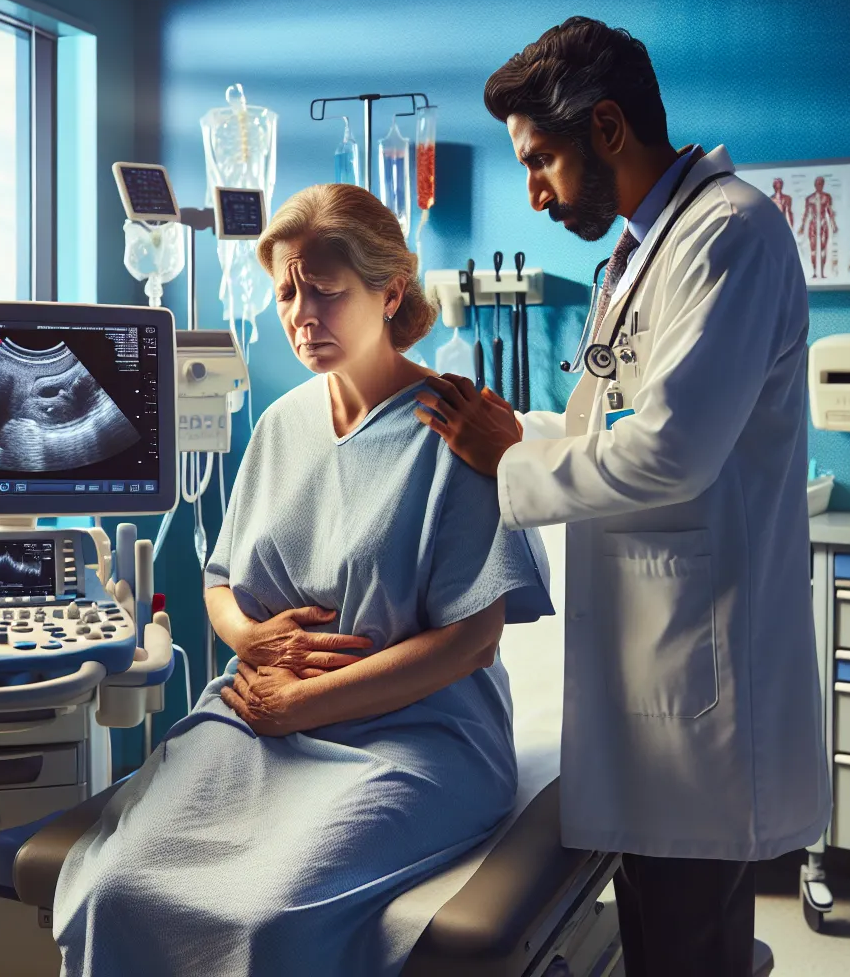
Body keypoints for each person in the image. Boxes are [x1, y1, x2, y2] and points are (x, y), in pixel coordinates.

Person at [415, 16, 828, 977]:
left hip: (701, 668)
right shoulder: (642, 251)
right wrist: (517, 433)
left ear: (606, 127)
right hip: (654, 663)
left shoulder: (729, 233)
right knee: (659, 928)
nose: (534, 191)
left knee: (688, 943)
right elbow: (611, 424)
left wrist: (508, 463)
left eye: (541, 160)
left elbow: (671, 452)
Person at [52, 183, 551, 977]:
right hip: (258, 719)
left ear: (391, 293)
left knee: (269, 913)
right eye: (287, 293)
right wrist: (252, 641)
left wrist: (303, 703)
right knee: (115, 886)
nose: (301, 315)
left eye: (326, 291)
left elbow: (471, 643)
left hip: (414, 738)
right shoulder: (280, 423)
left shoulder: (455, 430)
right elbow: (219, 582)